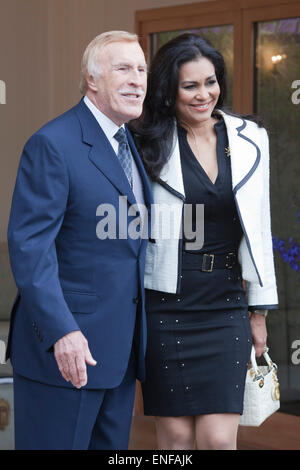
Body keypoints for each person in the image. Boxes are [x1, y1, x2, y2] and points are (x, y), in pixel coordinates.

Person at [131, 33, 278, 450]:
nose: (203, 95)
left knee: (217, 440)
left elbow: (260, 228)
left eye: (210, 82)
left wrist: (259, 312)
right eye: (189, 85)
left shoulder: (251, 139)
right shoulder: (145, 140)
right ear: (168, 90)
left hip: (226, 303)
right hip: (166, 304)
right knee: (175, 439)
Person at [6, 31, 153, 450]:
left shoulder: (127, 143)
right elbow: (31, 249)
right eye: (123, 68)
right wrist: (62, 332)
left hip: (119, 354)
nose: (137, 80)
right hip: (67, 352)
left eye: (141, 69)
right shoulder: (53, 144)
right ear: (92, 79)